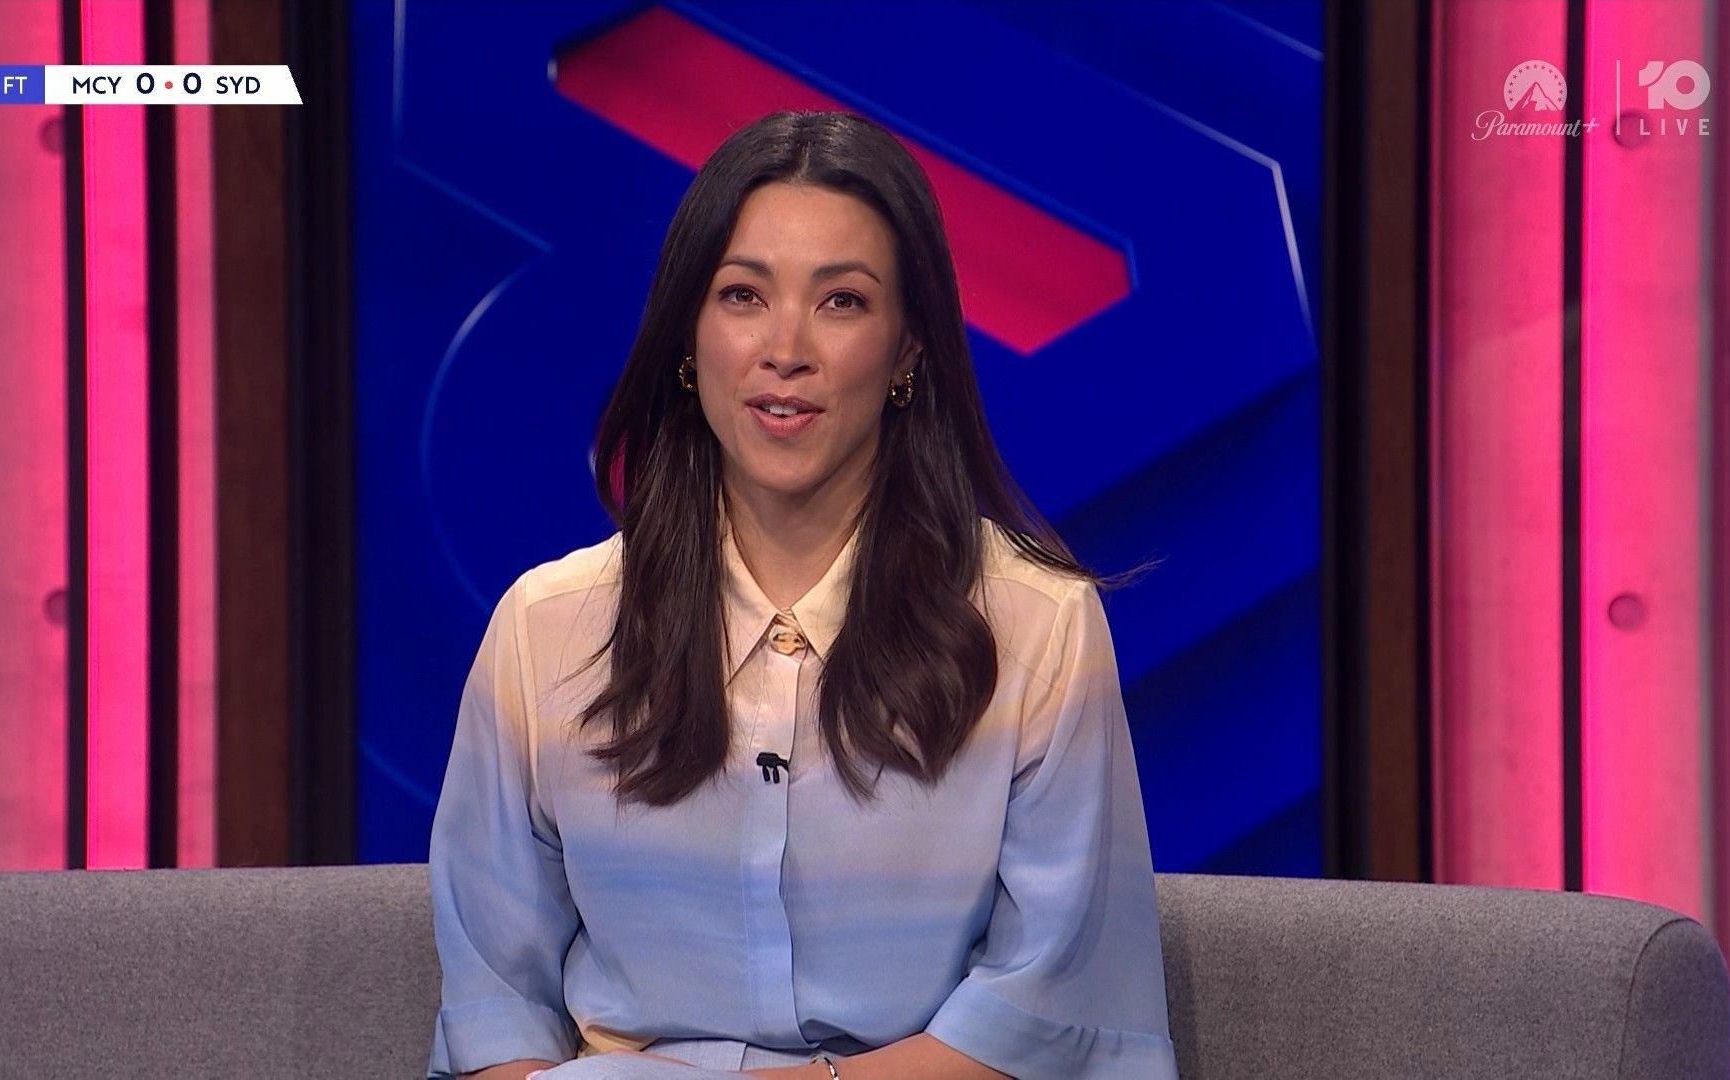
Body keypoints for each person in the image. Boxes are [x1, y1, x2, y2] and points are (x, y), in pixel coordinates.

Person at [426, 109, 1177, 1080]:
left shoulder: (1037, 631)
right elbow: (493, 1012)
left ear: (908, 350)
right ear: (689, 335)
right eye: (743, 295)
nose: (786, 348)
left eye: (842, 302)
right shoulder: (547, 632)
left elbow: (1049, 1017)